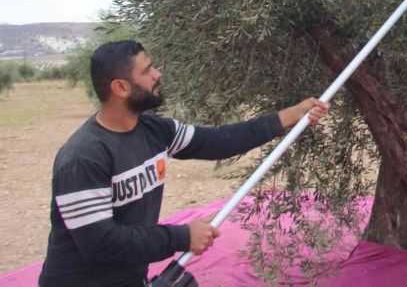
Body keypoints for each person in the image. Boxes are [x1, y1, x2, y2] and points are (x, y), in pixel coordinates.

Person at [38, 40, 330, 287]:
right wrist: (182, 236)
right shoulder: (83, 157)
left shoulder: (155, 131)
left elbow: (220, 141)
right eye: (147, 70)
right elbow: (100, 243)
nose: (157, 74)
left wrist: (294, 114)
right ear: (120, 88)